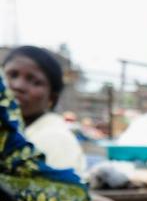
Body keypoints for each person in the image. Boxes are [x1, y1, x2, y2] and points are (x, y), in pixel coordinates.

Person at [3, 46, 86, 177]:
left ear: (51, 98)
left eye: (35, 82)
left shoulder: (55, 139)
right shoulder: (10, 131)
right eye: (12, 75)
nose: (18, 86)